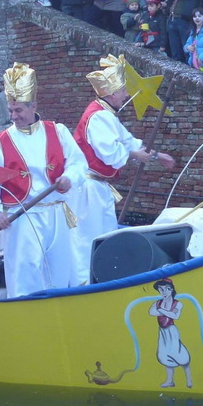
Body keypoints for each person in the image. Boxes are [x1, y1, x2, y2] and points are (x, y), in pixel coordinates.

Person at [0, 63, 88, 297]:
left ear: (34, 106)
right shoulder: (0, 142)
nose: (13, 116)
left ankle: (58, 311)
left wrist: (69, 178)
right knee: (24, 270)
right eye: (10, 110)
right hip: (21, 217)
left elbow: (79, 163)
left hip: (56, 212)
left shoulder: (57, 131)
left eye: (18, 110)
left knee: (59, 269)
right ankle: (24, 314)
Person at [71, 55, 174, 280]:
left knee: (104, 234)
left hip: (98, 187)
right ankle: (84, 283)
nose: (127, 95)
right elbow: (109, 152)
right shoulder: (97, 117)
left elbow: (127, 141)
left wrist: (156, 155)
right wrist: (135, 154)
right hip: (89, 189)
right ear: (112, 92)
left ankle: (102, 278)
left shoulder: (106, 114)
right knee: (90, 238)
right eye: (124, 90)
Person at [151, 278, 192, 388]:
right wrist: (167, 312)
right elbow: (151, 312)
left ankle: (189, 380)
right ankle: (170, 380)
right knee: (164, 353)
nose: (164, 292)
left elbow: (175, 316)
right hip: (162, 332)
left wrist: (161, 310)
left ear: (171, 290)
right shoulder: (158, 303)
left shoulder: (177, 304)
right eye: (161, 289)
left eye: (166, 289)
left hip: (171, 330)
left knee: (178, 352)